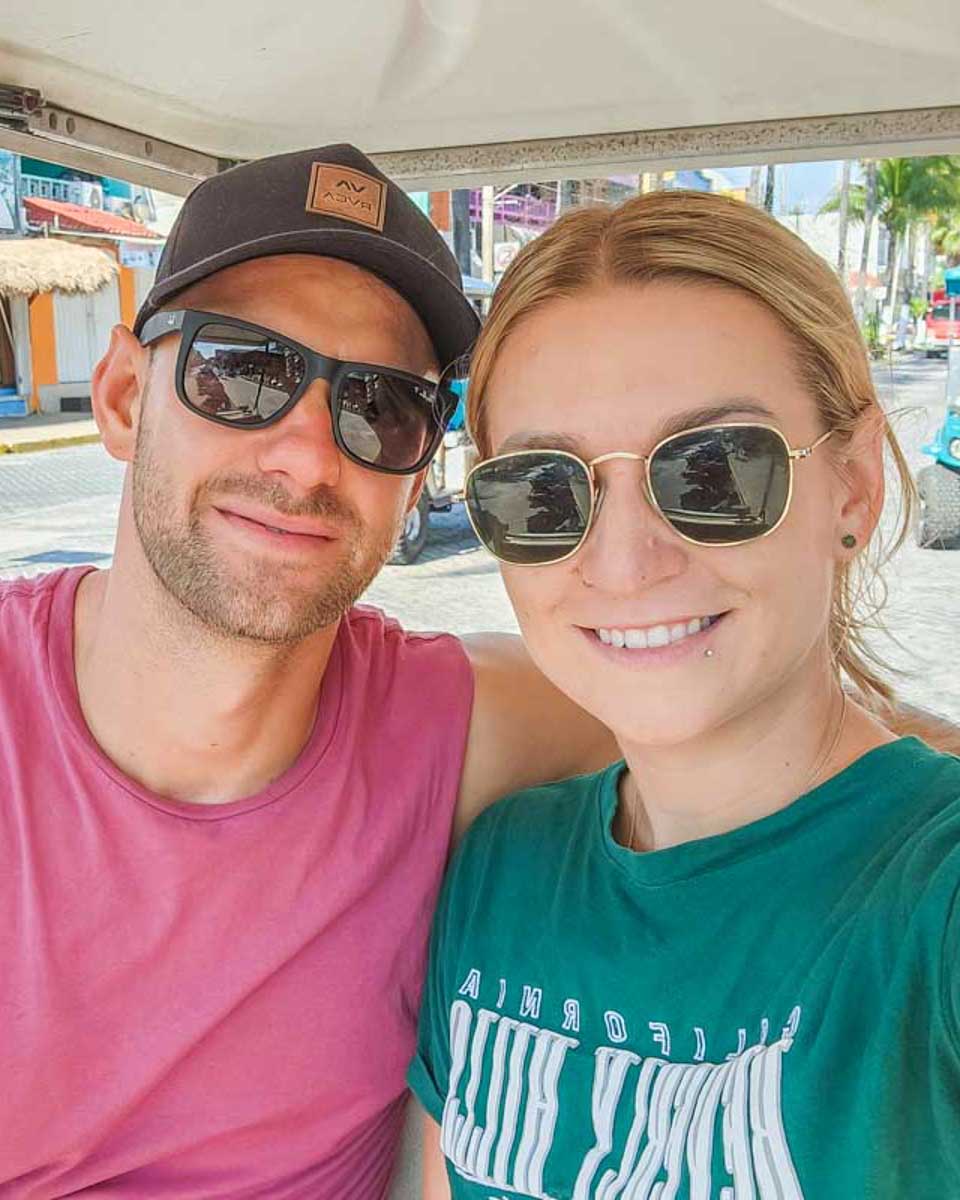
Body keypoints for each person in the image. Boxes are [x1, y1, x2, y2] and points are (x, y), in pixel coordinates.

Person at [0, 144, 617, 1198]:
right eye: (243, 372)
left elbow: (760, 729)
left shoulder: (457, 727)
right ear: (123, 397)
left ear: (417, 475)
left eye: (383, 407)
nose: (309, 457)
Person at [411, 190, 960, 1198]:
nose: (624, 564)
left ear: (853, 485)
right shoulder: (502, 869)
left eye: (714, 470)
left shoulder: (933, 900)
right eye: (544, 490)